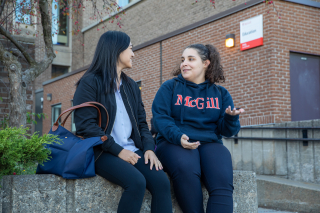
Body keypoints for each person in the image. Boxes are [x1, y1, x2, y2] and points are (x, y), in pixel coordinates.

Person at [73, 31, 172, 213]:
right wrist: (118, 151)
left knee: (162, 183)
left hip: (132, 149)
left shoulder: (131, 86)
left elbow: (142, 123)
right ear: (116, 50)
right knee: (136, 182)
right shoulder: (89, 83)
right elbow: (86, 126)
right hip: (101, 151)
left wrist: (149, 148)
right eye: (130, 48)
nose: (133, 54)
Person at [152, 44, 244, 213]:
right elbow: (161, 119)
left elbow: (227, 131)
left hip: (209, 142)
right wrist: (179, 137)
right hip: (173, 142)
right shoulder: (170, 87)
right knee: (186, 168)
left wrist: (231, 119)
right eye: (182, 60)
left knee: (222, 180)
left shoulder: (221, 94)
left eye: (191, 59)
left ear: (206, 63)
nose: (184, 63)